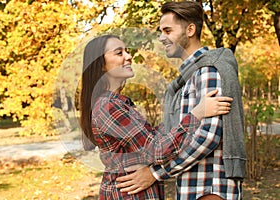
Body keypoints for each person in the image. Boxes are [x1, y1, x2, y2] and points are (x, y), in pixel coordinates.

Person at [116, 1, 247, 200]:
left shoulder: (208, 71)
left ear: (190, 30)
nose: (161, 38)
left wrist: (155, 174)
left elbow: (207, 137)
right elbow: (180, 132)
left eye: (168, 31)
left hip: (209, 186)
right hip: (194, 185)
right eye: (161, 31)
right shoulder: (188, 77)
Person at [78, 34, 234, 199]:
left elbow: (151, 139)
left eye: (127, 51)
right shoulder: (109, 107)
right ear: (101, 64)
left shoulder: (118, 103)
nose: (129, 57)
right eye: (119, 53)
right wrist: (197, 113)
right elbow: (157, 150)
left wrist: (184, 109)